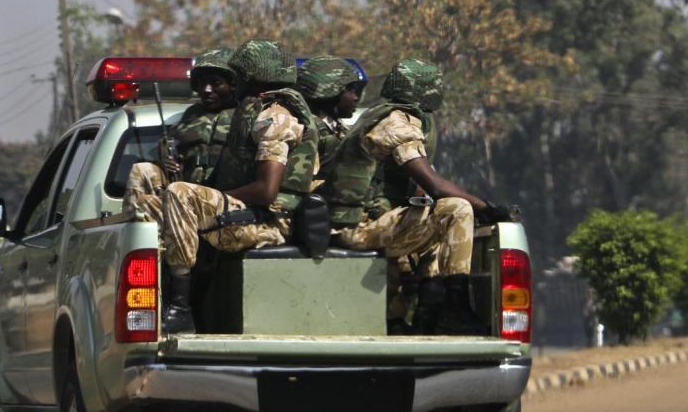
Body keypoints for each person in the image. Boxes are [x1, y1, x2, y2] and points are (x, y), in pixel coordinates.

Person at [318, 58, 512, 335]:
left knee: (437, 233)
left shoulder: (385, 115)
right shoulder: (395, 122)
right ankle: (454, 309)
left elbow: (419, 189)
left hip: (359, 222)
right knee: (456, 210)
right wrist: (486, 207)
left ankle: (426, 315)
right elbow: (434, 185)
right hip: (355, 227)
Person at [158, 38, 321, 333]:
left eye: (239, 77)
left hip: (270, 223)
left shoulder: (276, 116)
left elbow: (266, 190)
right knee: (172, 196)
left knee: (181, 194)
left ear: (251, 77)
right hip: (250, 215)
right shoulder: (258, 111)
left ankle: (181, 308)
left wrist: (214, 198)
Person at [123, 47, 238, 222]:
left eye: (216, 83)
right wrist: (166, 162)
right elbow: (167, 146)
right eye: (202, 84)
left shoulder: (245, 114)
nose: (207, 90)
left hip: (226, 202)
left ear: (232, 84)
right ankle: (144, 241)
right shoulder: (191, 115)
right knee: (142, 170)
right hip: (183, 199)